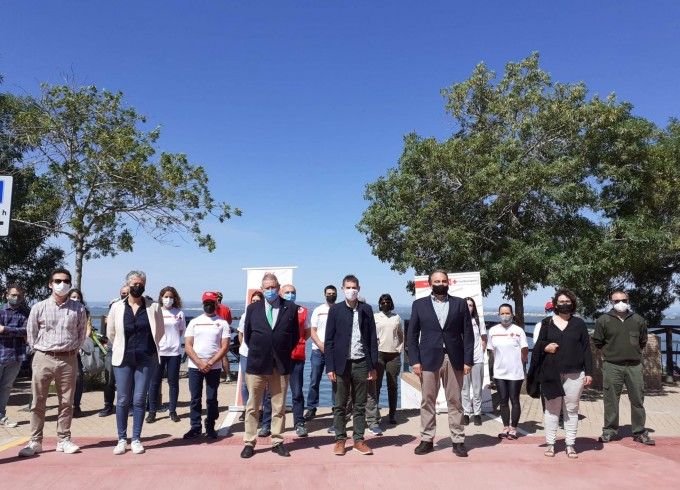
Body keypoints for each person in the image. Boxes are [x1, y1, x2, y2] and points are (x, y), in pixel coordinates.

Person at [18, 268, 88, 457]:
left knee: (67, 402)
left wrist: (72, 350)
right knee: (38, 401)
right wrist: (40, 350)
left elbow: (82, 334)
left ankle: (63, 440)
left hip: (69, 359)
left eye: (66, 281)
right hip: (43, 357)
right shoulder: (39, 307)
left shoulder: (78, 308)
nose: (61, 284)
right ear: (50, 284)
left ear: (70, 284)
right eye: (57, 281)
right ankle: (35, 441)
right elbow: (31, 333)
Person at [408, 270, 474, 458]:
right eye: (437, 281)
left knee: (455, 401)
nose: (440, 284)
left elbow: (468, 334)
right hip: (428, 359)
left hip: (454, 359)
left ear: (448, 283)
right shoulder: (419, 305)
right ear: (430, 283)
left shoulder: (460, 304)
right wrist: (415, 360)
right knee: (427, 401)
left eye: (444, 281)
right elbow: (412, 335)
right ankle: (427, 439)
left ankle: (458, 440)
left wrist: (468, 360)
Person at [240, 273, 300, 459]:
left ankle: (277, 441)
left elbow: (295, 336)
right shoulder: (253, 308)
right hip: (257, 363)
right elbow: (248, 336)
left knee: (278, 406)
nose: (271, 290)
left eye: (274, 287)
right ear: (262, 288)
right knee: (252, 406)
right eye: (267, 288)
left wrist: (281, 350)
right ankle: (249, 442)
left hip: (280, 364)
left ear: (279, 287)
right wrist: (262, 349)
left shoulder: (290, 307)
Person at [107, 270, 164, 455]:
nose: (138, 287)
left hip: (145, 358)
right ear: (128, 285)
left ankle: (136, 439)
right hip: (123, 359)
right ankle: (121, 439)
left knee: (139, 399)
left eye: (141, 284)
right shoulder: (117, 307)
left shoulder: (153, 307)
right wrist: (120, 346)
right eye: (134, 284)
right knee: (123, 399)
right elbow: (111, 333)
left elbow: (160, 331)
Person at [531, 289, 593, 458]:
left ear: (572, 304)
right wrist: (546, 347)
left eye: (567, 302)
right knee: (551, 410)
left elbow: (586, 349)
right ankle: (551, 444)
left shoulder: (579, 324)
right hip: (551, 373)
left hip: (575, 374)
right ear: (555, 304)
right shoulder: (546, 323)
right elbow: (538, 346)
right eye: (561, 302)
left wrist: (589, 372)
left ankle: (570, 444)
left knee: (571, 410)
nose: (564, 304)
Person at [325, 274, 378, 456]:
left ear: (359, 289)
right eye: (348, 287)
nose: (351, 290)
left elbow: (372, 339)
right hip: (341, 364)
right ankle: (340, 439)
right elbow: (329, 340)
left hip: (361, 362)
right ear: (342, 289)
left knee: (360, 404)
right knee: (340, 404)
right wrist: (330, 367)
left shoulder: (366, 309)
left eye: (354, 287)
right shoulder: (336, 310)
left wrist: (372, 366)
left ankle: (358, 440)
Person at [593, 290, 655, 446]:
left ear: (628, 301)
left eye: (623, 300)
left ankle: (639, 432)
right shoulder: (603, 320)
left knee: (638, 400)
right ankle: (609, 431)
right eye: (616, 301)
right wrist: (611, 353)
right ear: (611, 302)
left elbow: (643, 341)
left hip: (634, 366)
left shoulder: (638, 320)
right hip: (612, 366)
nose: (620, 303)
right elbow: (598, 342)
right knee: (611, 400)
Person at [260, 284, 310, 438]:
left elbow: (307, 332)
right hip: (276, 357)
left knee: (297, 392)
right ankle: (266, 424)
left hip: (297, 357)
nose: (290, 294)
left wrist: (297, 343)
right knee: (271, 393)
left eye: (293, 292)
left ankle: (299, 423)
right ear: (281, 293)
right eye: (287, 292)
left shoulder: (303, 311)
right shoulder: (274, 309)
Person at [182, 292, 230, 440]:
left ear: (216, 304)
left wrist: (210, 362)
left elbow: (224, 347)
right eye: (206, 302)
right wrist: (199, 362)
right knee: (195, 398)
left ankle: (210, 426)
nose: (209, 305)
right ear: (203, 304)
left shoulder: (222, 323)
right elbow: (188, 345)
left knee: (211, 398)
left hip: (213, 367)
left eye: (211, 302)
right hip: (195, 366)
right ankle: (195, 427)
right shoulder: (194, 322)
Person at [487, 303, 528, 440]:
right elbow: (492, 351)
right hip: (499, 372)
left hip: (515, 372)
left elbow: (524, 349)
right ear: (498, 315)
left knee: (514, 399)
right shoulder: (493, 331)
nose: (505, 316)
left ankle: (514, 429)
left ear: (512, 314)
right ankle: (505, 428)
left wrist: (522, 361)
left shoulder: (518, 330)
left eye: (507, 313)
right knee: (503, 400)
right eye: (502, 313)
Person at [147, 286, 186, 423]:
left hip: (174, 352)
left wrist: (172, 341)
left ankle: (172, 411)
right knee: (154, 382)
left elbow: (181, 331)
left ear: (175, 298)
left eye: (171, 297)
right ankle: (152, 411)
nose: (168, 299)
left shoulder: (179, 313)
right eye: (166, 297)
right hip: (158, 352)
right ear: (161, 298)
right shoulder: (156, 311)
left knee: (173, 382)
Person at [304, 285, 337, 422]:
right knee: (314, 380)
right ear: (324, 295)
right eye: (329, 293)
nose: (331, 295)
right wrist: (320, 345)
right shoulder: (318, 310)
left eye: (333, 293)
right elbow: (312, 330)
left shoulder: (339, 309)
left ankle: (336, 407)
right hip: (318, 350)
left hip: (334, 351)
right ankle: (311, 408)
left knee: (336, 380)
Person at [372, 293, 403, 427]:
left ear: (391, 303)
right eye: (383, 302)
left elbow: (401, 334)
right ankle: (374, 414)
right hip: (379, 354)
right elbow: (371, 334)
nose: (385, 304)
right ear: (380, 304)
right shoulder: (375, 317)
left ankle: (392, 414)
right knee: (376, 385)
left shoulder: (397, 317)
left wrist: (400, 348)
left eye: (388, 302)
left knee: (392, 385)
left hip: (393, 355)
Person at [0, 284, 29, 428]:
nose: (16, 298)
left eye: (19, 296)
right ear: (7, 295)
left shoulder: (25, 313)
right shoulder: (1, 311)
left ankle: (1, 415)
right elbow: (21, 331)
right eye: (13, 295)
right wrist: (17, 331)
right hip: (1, 354)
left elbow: (26, 331)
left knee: (6, 387)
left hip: (16, 356)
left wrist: (5, 329)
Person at [98, 285, 129, 417]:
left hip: (128, 350)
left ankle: (128, 406)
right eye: (123, 293)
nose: (125, 295)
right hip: (112, 349)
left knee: (127, 381)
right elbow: (106, 333)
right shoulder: (114, 309)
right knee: (109, 380)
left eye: (127, 293)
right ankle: (108, 406)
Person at [236, 290, 263, 422]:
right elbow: (240, 334)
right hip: (246, 354)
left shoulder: (266, 315)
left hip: (261, 354)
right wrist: (244, 346)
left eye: (258, 301)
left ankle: (260, 409)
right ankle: (247, 409)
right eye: (253, 301)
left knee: (260, 383)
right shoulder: (245, 315)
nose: (255, 303)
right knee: (245, 384)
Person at [69, 288, 93, 418]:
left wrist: (81, 342)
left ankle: (76, 405)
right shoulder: (64, 311)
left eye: (78, 297)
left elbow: (88, 329)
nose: (76, 299)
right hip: (64, 349)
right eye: (73, 297)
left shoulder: (85, 312)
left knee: (78, 377)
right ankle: (66, 406)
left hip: (78, 349)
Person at [462, 297, 486, 426]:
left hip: (477, 359)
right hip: (463, 360)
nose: (468, 307)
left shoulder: (478, 321)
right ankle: (466, 413)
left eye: (471, 305)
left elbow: (483, 338)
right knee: (464, 388)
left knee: (477, 388)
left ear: (474, 307)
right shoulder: (458, 321)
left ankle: (477, 413)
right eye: (466, 305)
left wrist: (481, 351)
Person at [214, 292, 234, 382]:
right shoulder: (226, 308)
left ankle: (214, 375)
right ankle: (228, 375)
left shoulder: (214, 308)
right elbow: (229, 322)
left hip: (215, 331)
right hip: (225, 333)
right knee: (224, 355)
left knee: (213, 354)